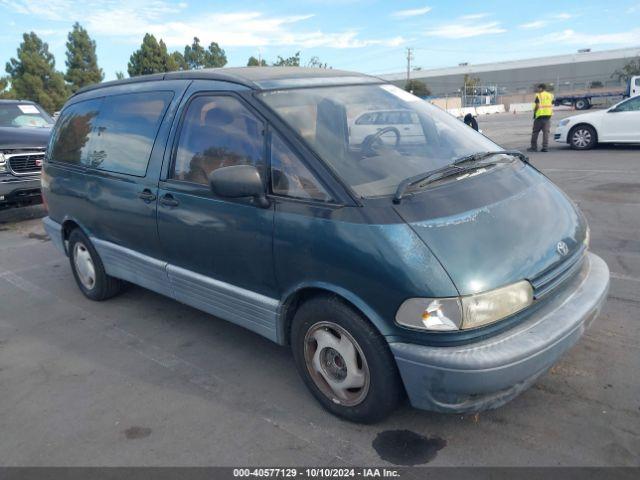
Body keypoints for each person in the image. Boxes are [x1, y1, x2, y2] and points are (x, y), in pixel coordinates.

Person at [528, 83, 554, 152]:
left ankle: (534, 147)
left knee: (535, 132)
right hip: (548, 117)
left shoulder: (539, 95)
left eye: (538, 88)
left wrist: (534, 113)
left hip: (540, 116)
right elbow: (552, 104)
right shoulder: (550, 95)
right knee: (546, 133)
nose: (537, 89)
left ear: (541, 88)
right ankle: (545, 148)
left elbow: (537, 105)